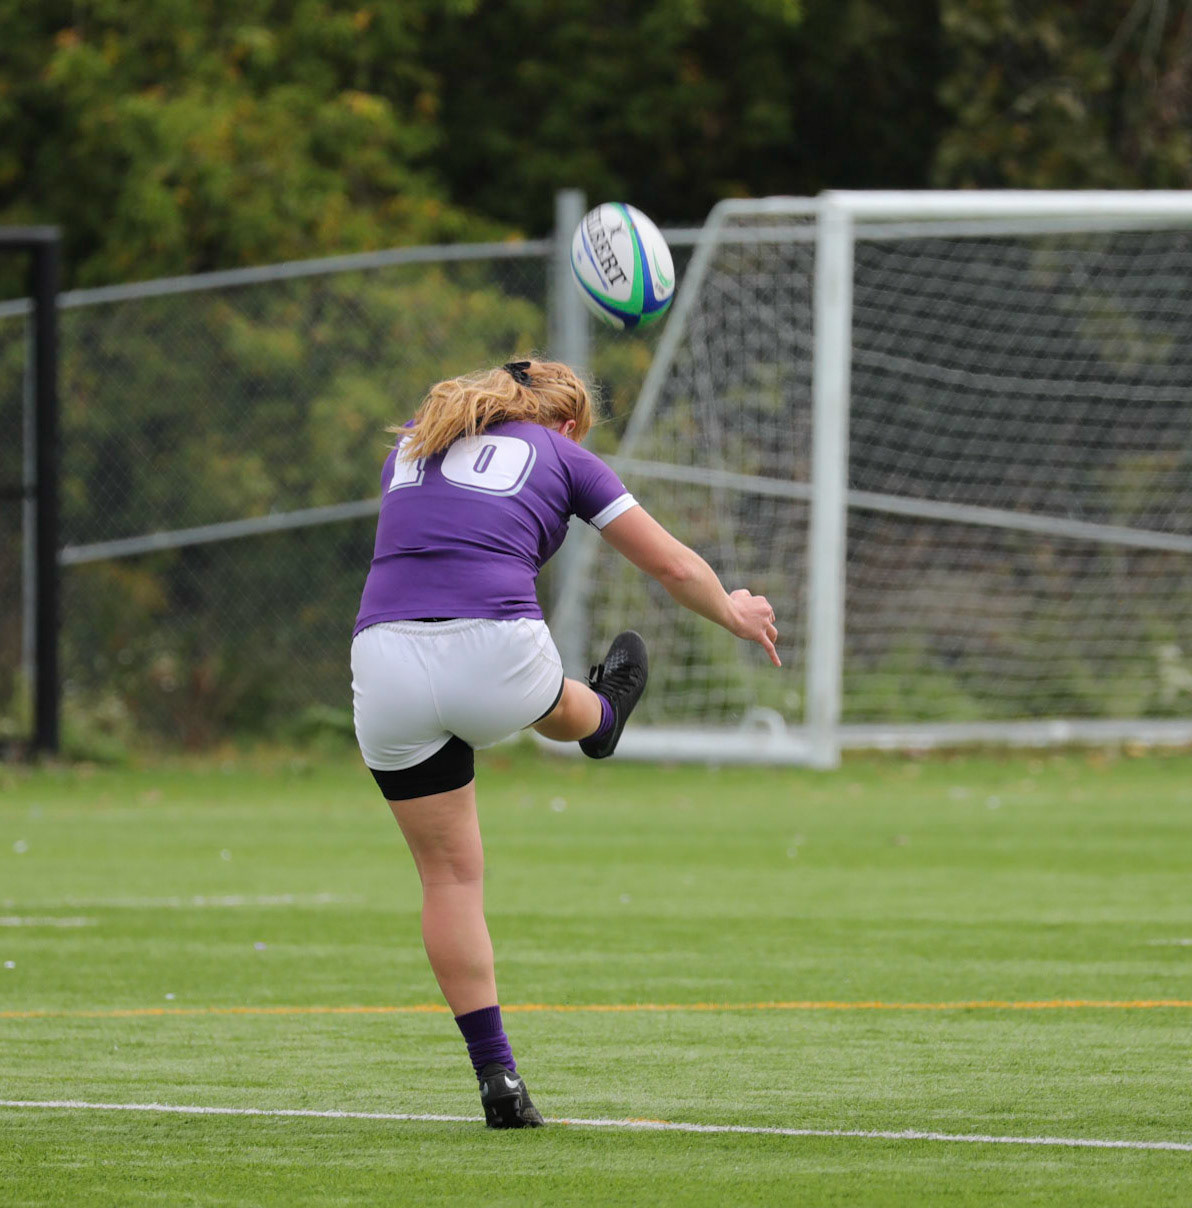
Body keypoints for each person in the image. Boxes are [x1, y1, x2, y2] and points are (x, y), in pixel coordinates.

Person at [351, 358, 779, 1128]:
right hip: (498, 650)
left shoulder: (410, 448)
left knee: (448, 881)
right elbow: (674, 564)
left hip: (383, 662)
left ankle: (499, 1082)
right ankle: (603, 721)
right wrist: (735, 613)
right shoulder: (563, 452)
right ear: (569, 421)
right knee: (543, 695)